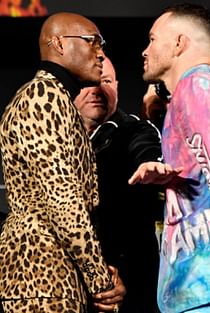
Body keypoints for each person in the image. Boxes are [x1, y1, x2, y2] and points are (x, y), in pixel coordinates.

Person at [129, 3, 210, 312]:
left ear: (180, 43)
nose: (145, 50)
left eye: (153, 39)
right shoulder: (188, 93)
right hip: (201, 289)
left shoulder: (199, 87)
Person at [0, 12, 124, 312]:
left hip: (53, 273)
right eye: (92, 41)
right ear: (58, 44)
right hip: (41, 273)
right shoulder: (43, 96)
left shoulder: (56, 99)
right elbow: (64, 201)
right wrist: (101, 283)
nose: (101, 52)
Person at [75, 56, 165, 313]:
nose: (97, 90)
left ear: (116, 85)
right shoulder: (52, 140)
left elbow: (145, 149)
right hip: (69, 285)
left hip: (131, 286)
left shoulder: (137, 130)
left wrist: (149, 163)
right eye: (88, 82)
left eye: (105, 81)